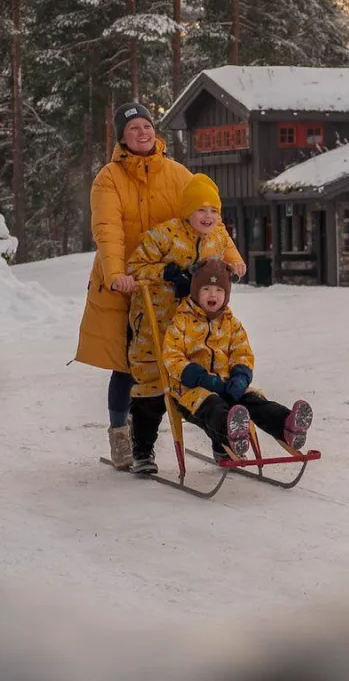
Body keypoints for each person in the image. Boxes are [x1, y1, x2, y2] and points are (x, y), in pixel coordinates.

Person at [72, 101, 242, 470]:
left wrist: (230, 259)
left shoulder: (178, 173)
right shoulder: (108, 178)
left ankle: (220, 434)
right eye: (134, 128)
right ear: (122, 137)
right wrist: (119, 274)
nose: (143, 133)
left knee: (196, 357)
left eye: (147, 126)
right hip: (129, 283)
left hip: (178, 288)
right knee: (130, 363)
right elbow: (109, 231)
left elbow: (208, 217)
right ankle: (123, 436)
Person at [124, 174, 246, 473]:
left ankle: (223, 441)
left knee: (209, 380)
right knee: (153, 386)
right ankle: (142, 450)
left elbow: (234, 259)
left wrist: (233, 269)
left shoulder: (219, 235)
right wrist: (167, 273)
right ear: (187, 211)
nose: (208, 217)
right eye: (201, 210)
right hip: (157, 321)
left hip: (198, 326)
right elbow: (134, 267)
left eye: (213, 211)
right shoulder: (163, 234)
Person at [161, 258, 313, 462]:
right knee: (212, 406)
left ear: (227, 295)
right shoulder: (181, 321)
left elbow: (242, 352)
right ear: (196, 291)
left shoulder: (231, 324)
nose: (212, 294)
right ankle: (231, 431)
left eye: (219, 290)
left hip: (228, 384)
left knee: (255, 401)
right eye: (206, 288)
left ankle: (287, 425)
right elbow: (172, 356)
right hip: (191, 390)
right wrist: (200, 378)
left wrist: (240, 377)